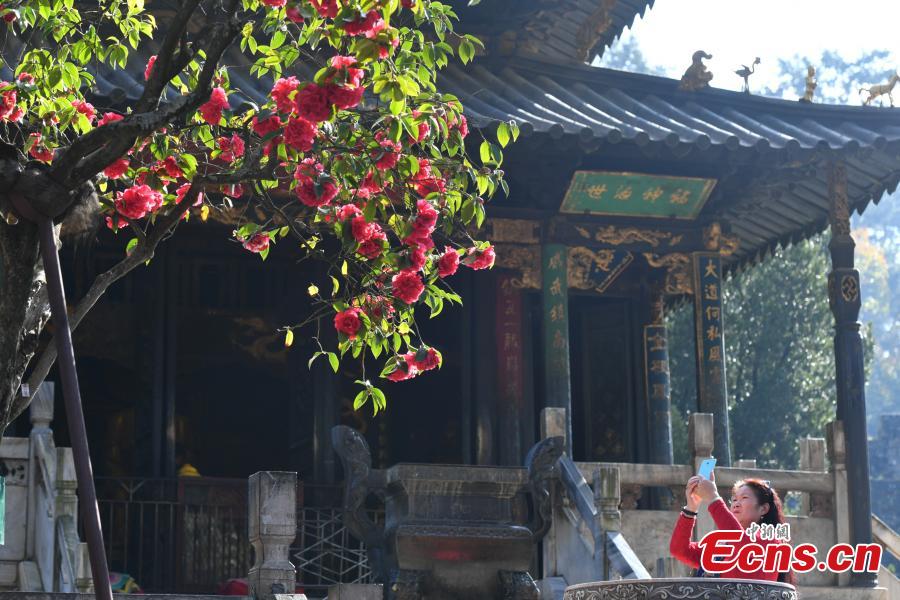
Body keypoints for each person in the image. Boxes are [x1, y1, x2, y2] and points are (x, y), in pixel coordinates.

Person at [669, 473, 795, 584]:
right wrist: (691, 507)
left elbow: (743, 543)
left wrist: (713, 497)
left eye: (744, 498)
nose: (736, 503)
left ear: (763, 509)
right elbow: (679, 550)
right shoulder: (720, 544)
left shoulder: (771, 538)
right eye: (734, 499)